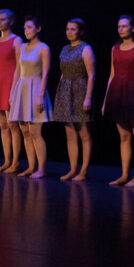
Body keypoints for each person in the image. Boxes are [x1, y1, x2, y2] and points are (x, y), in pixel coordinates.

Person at [101, 15, 134, 186]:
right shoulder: (114, 49)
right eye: (119, 26)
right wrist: (105, 100)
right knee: (124, 136)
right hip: (117, 92)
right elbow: (111, 75)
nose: (120, 29)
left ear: (133, 28)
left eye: (124, 26)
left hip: (133, 92)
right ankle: (124, 174)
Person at [7, 15, 52, 177]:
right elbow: (18, 71)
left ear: (38, 29)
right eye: (25, 28)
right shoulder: (22, 47)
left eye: (30, 27)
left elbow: (45, 73)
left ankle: (41, 169)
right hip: (22, 89)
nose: (26, 31)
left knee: (35, 132)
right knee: (25, 131)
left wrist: (40, 95)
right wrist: (13, 93)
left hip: (35, 89)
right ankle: (31, 166)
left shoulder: (43, 48)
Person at [52, 19, 95, 181]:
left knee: (84, 133)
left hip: (80, 90)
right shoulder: (64, 49)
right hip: (65, 90)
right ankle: (72, 169)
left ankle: (83, 171)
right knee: (70, 134)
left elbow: (91, 75)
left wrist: (88, 98)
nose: (69, 32)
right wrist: (60, 93)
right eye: (67, 29)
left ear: (81, 32)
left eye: (73, 29)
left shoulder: (86, 48)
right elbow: (63, 72)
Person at [0, 9, 23, 172]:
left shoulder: (17, 40)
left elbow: (19, 67)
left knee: (13, 125)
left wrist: (13, 90)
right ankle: (7, 161)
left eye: (3, 19)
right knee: (3, 126)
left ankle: (15, 162)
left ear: (11, 21)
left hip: (9, 85)